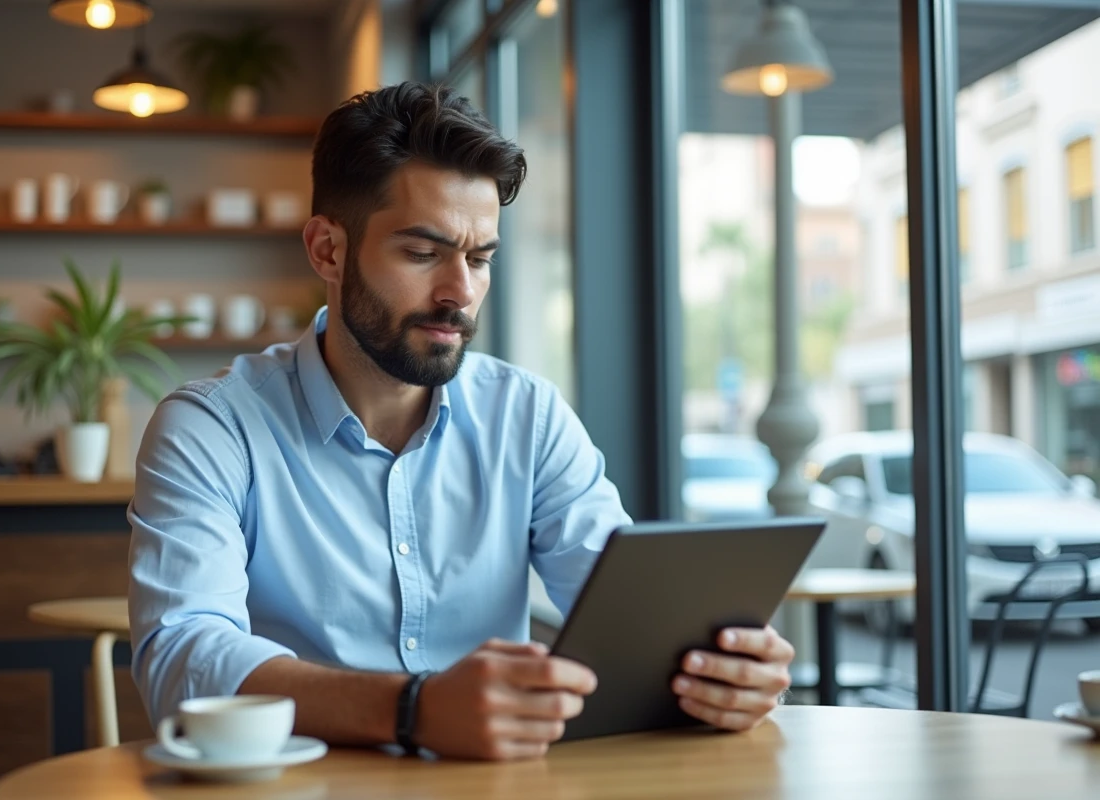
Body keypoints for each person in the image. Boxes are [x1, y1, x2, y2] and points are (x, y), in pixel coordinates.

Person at [128, 81, 794, 762]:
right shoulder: (211, 428)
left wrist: (725, 669)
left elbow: (627, 608)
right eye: (423, 254)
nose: (461, 292)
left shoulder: (527, 417)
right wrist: (412, 710)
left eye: (479, 259)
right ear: (328, 250)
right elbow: (182, 661)